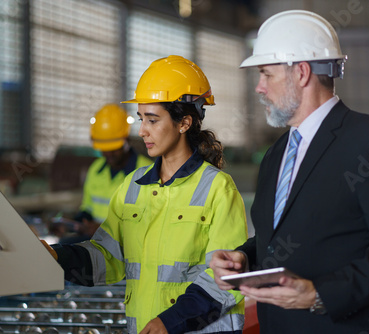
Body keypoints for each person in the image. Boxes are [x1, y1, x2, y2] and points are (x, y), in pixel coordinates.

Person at [209, 10, 369, 334]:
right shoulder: (276, 154)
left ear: (301, 73)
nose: (259, 87)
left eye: (266, 74)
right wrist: (243, 259)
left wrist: (319, 294)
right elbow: (283, 238)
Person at [43, 55, 248, 334]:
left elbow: (226, 280)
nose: (141, 131)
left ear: (184, 123)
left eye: (152, 120)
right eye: (141, 119)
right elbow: (107, 258)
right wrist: (57, 258)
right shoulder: (132, 186)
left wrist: (170, 321)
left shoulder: (218, 189)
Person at [62, 104, 152, 243]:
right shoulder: (96, 169)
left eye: (113, 149)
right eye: (104, 149)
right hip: (94, 240)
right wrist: (73, 224)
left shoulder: (146, 173)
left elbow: (148, 222)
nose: (108, 154)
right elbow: (88, 208)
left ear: (126, 141)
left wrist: (107, 229)